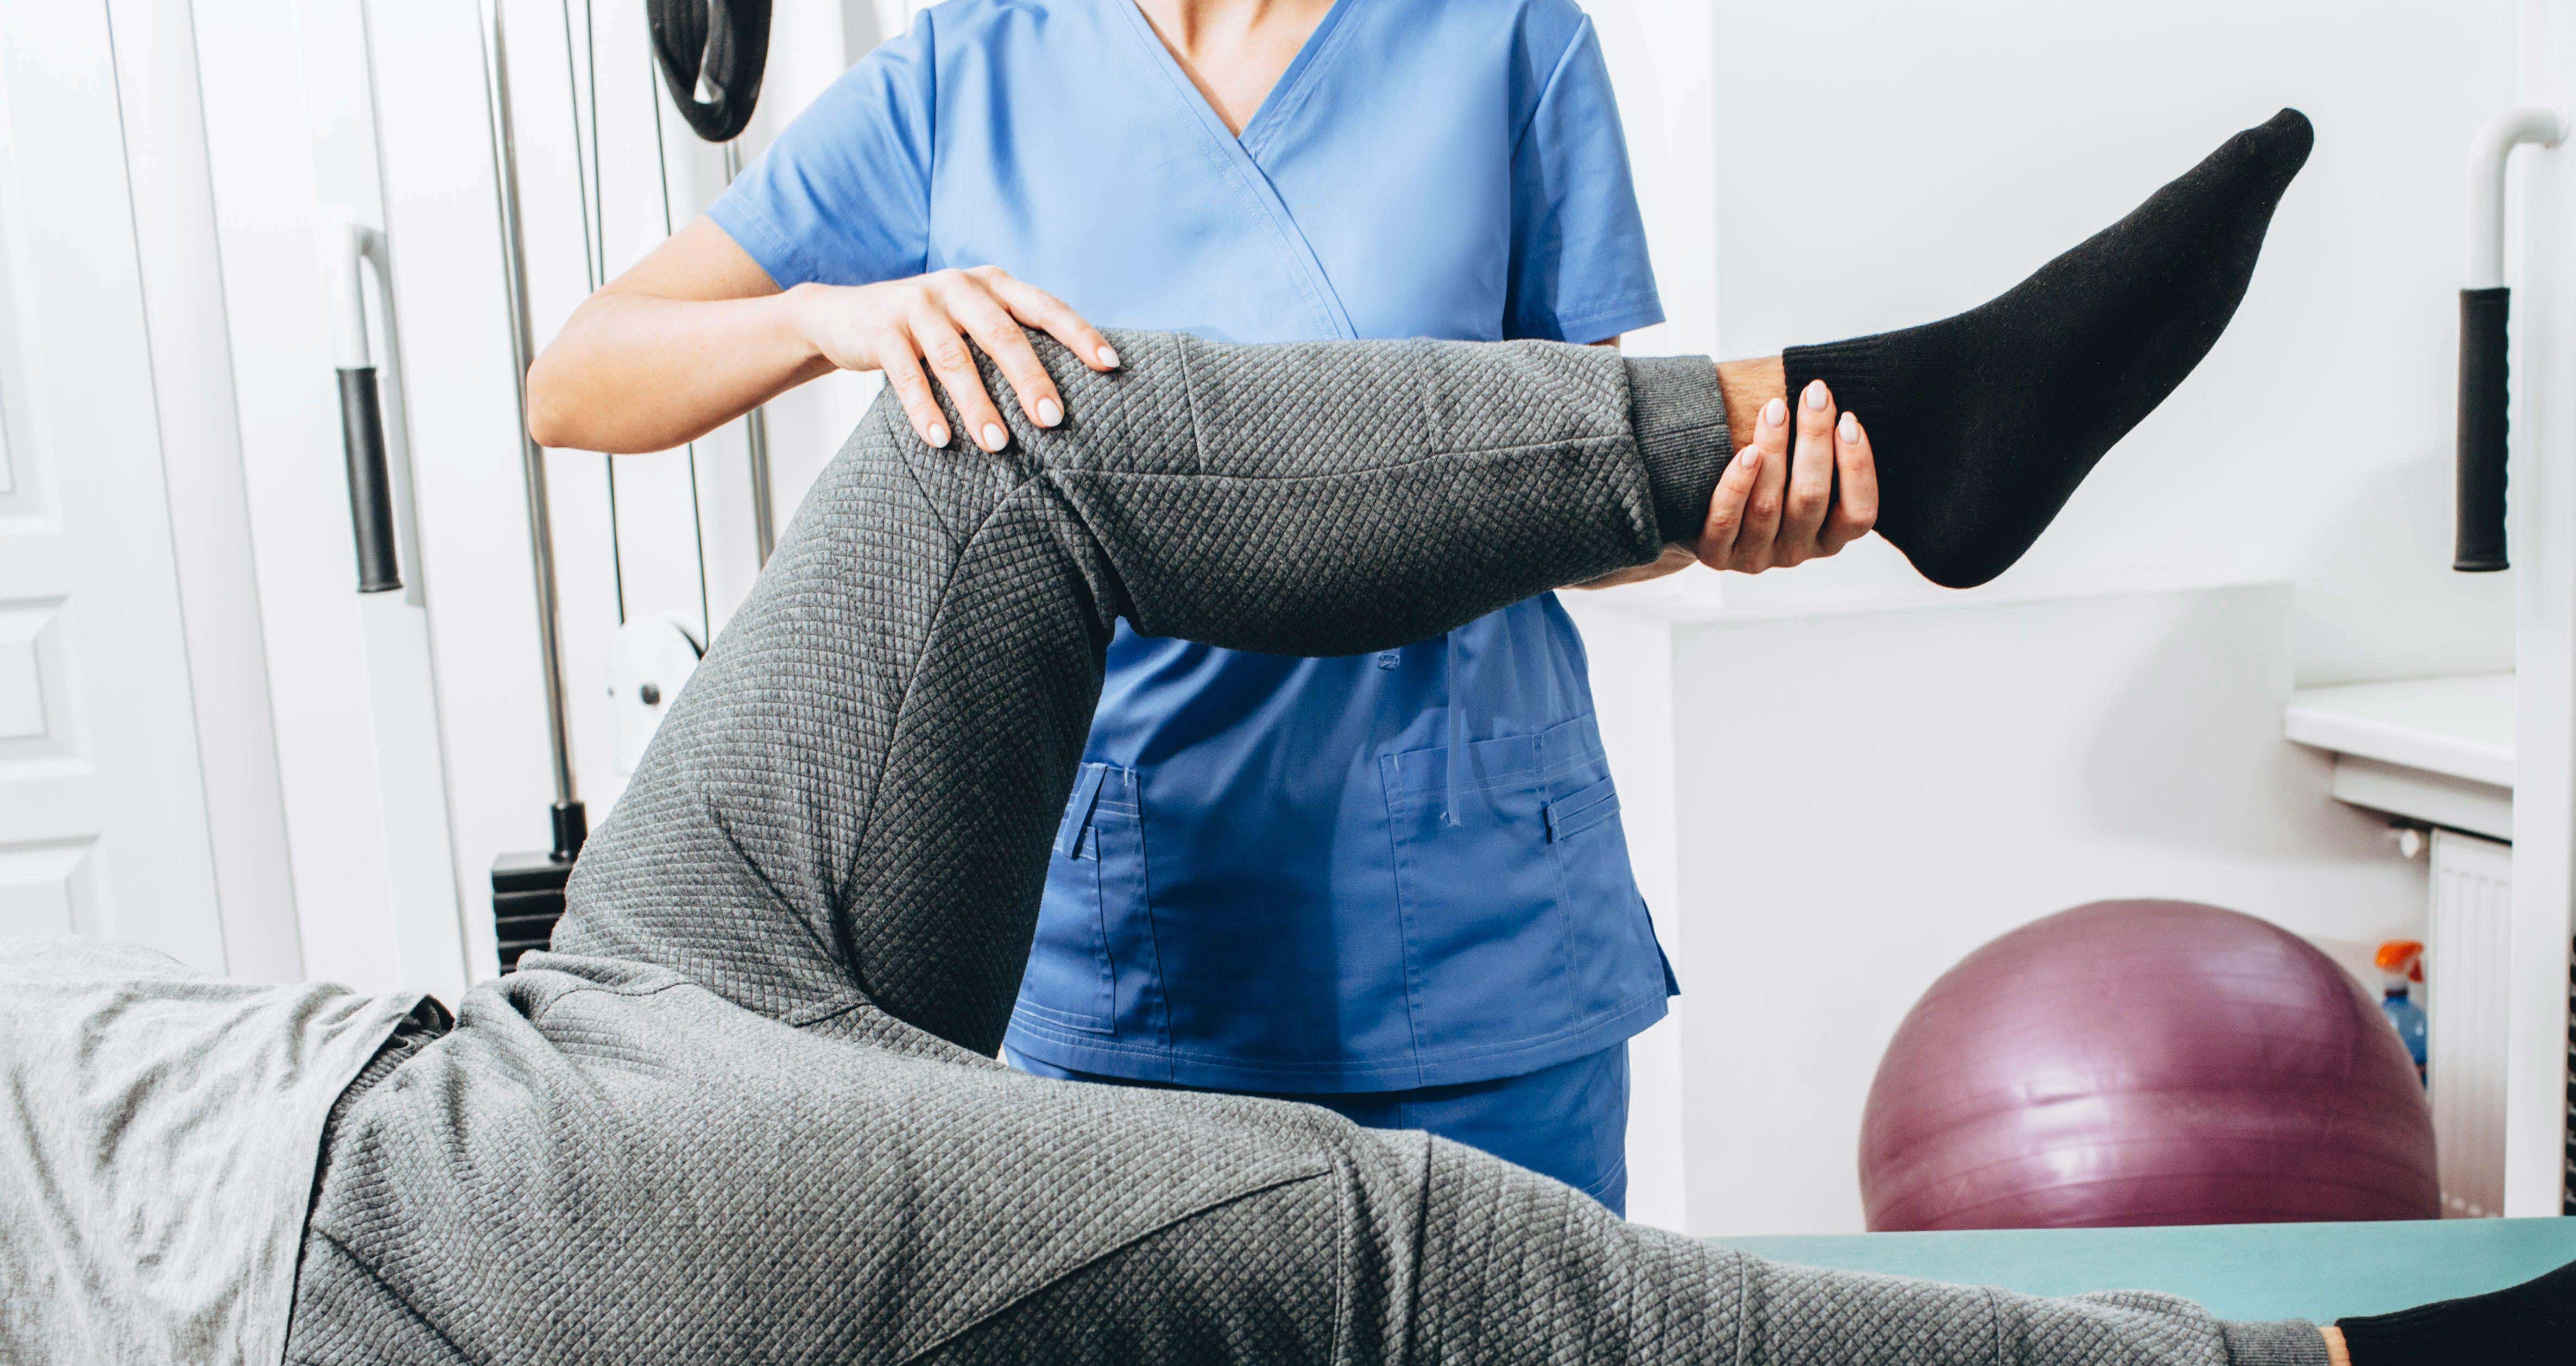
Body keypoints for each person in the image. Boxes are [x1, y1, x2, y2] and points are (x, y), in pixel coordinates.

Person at [21, 112, 2576, 1366]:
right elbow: (583, 369)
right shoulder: (964, 49)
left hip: (519, 1035)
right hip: (406, 1275)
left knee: (993, 445)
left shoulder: (1473, 35)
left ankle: (1887, 418)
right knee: (1395, 1256)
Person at [527, 0, 1880, 1254]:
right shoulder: (967, 74)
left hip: (1474, 924)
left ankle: (1931, 405)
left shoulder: (1502, 35)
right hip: (1141, 955)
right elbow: (578, 378)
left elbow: (1571, 481)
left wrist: (1733, 519)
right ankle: (1944, 397)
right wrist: (828, 320)